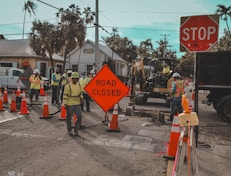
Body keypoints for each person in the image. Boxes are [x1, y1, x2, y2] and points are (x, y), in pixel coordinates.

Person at [63, 72, 84, 136]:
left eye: (76, 79)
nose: (75, 80)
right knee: (69, 117)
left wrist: (82, 98)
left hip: (77, 103)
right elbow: (65, 96)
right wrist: (65, 103)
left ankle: (76, 130)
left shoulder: (79, 85)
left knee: (79, 117)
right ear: (72, 79)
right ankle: (69, 130)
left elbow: (80, 93)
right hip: (70, 103)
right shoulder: (68, 86)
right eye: (74, 79)